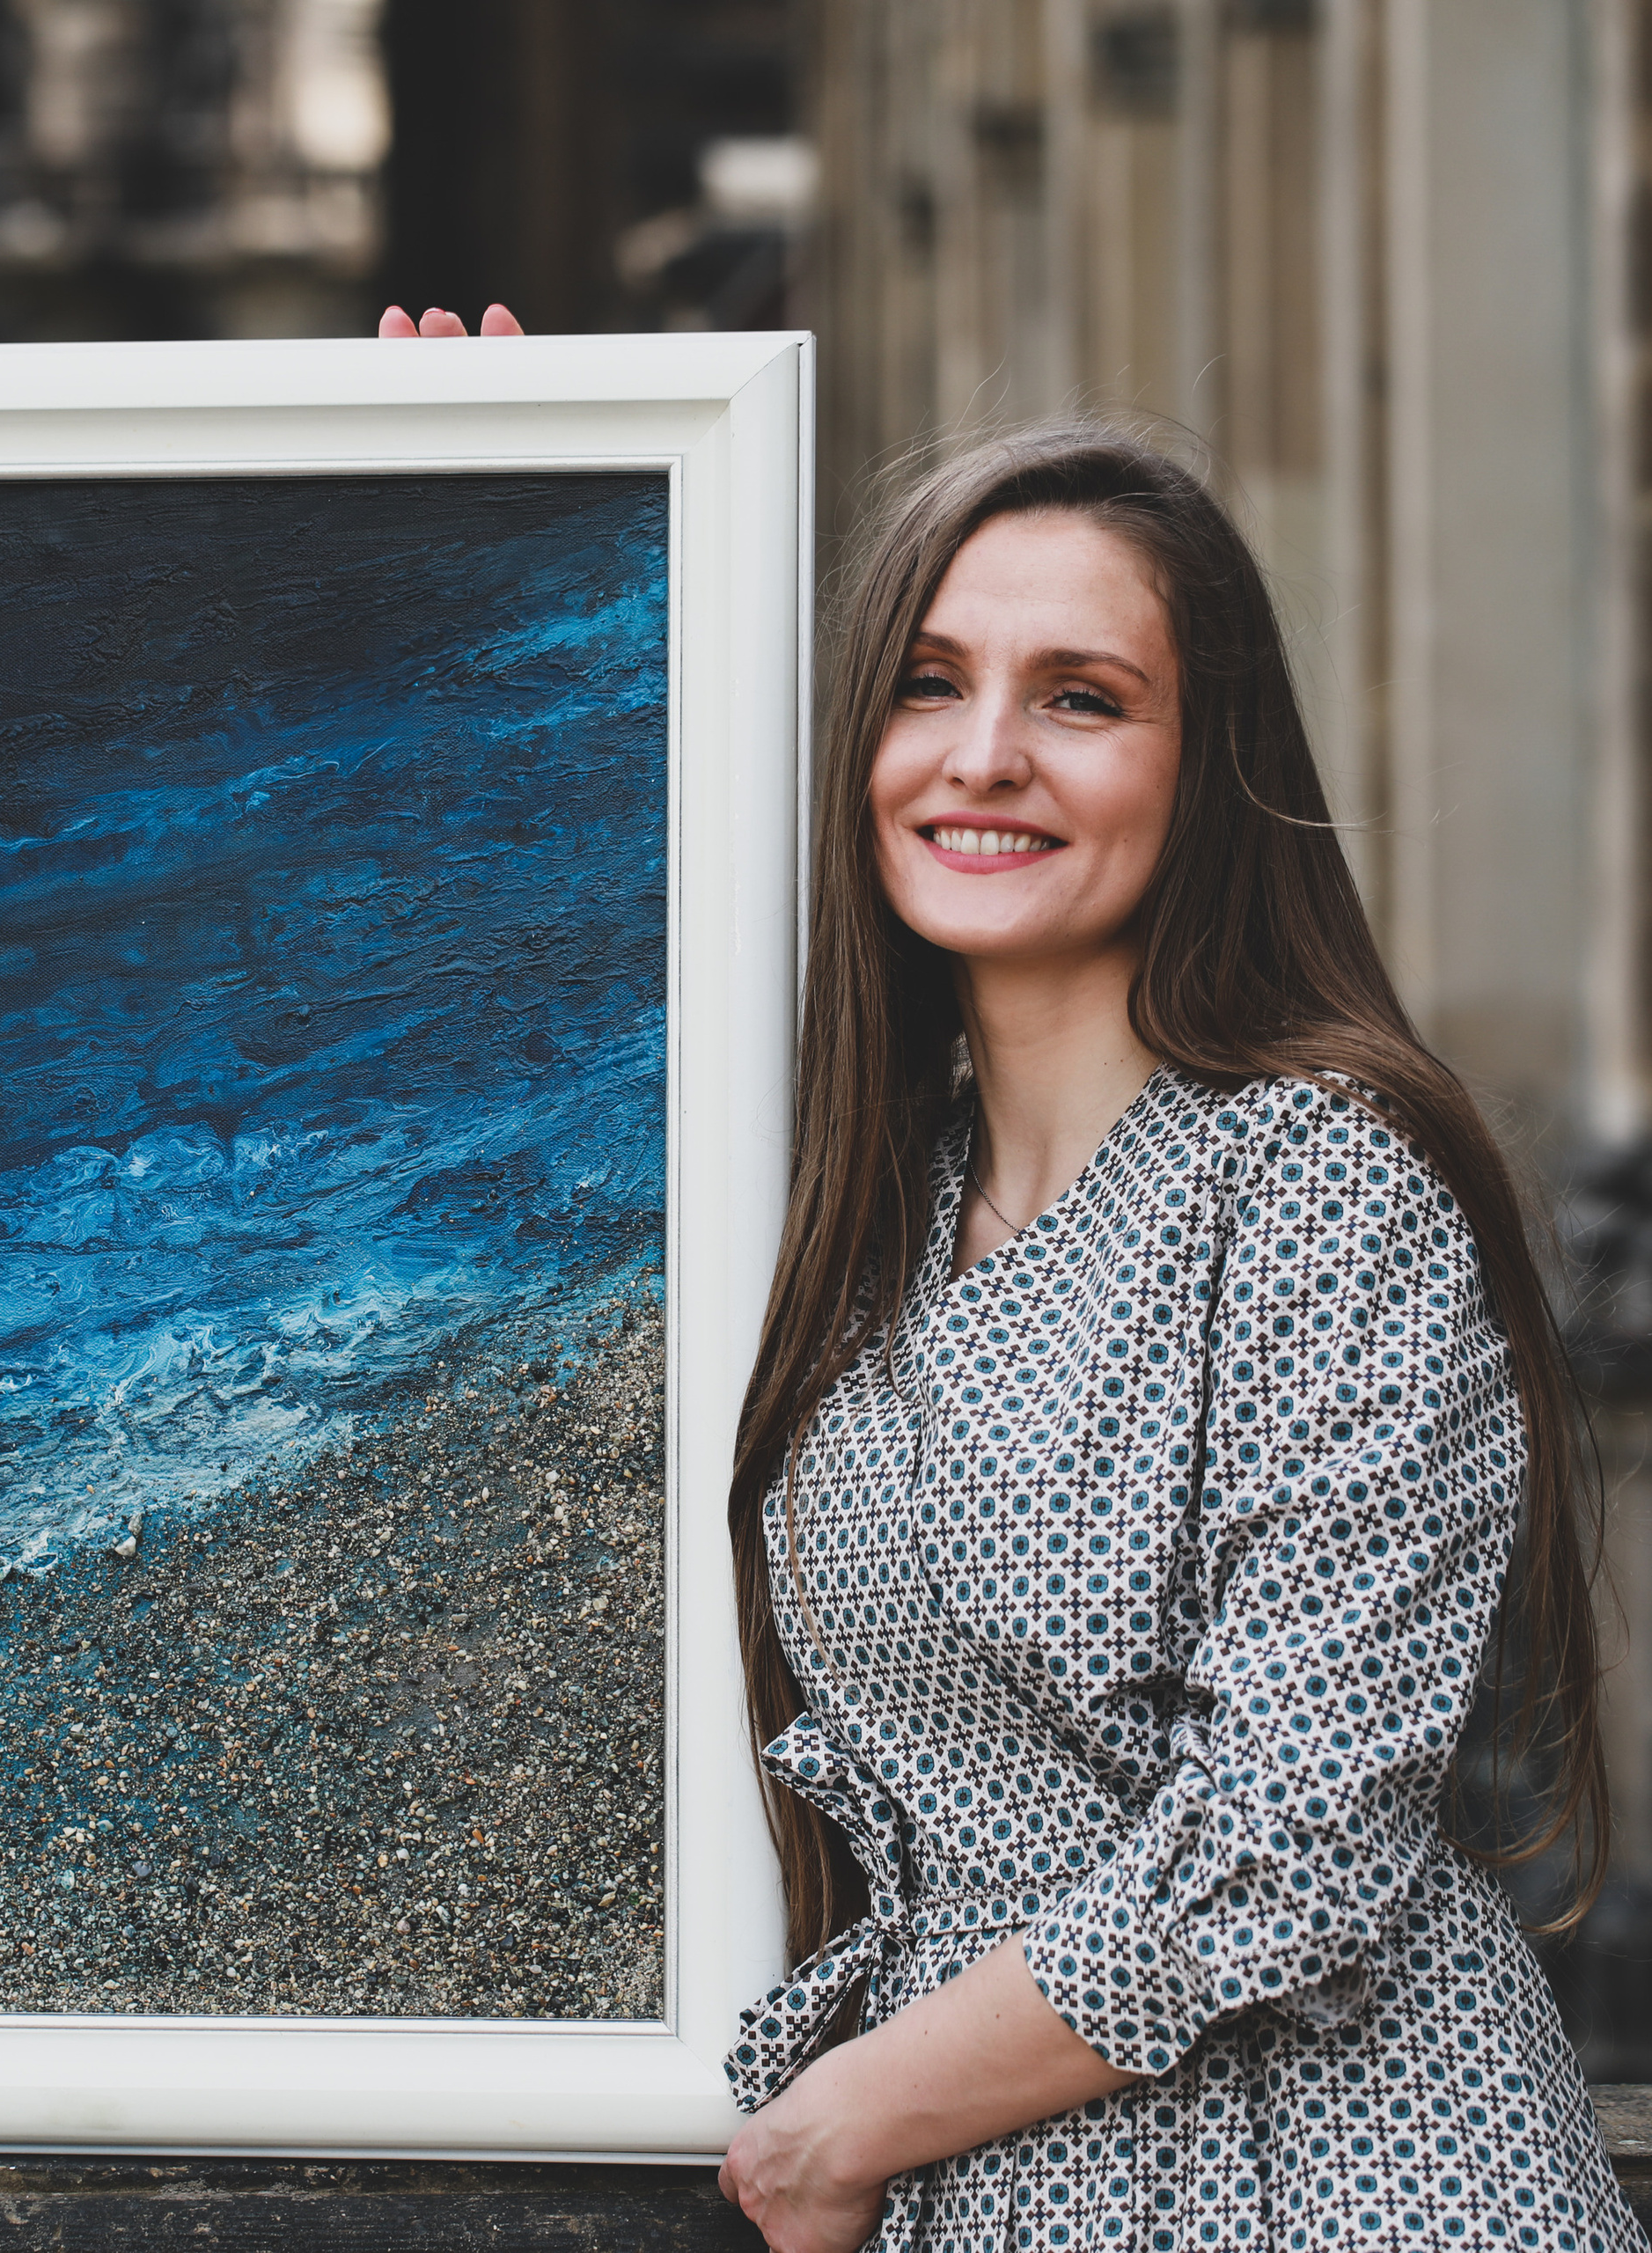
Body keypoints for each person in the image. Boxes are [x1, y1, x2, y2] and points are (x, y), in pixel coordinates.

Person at [381, 310, 1645, 2252]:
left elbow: (1292, 1833)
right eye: (928, 683)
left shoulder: (1321, 1173)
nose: (983, 754)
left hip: (1334, 2170)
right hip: (987, 2186)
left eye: (1080, 698)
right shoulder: (859, 1207)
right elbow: (490, 1010)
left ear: (1202, 763)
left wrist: (844, 2121)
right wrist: (502, 505)